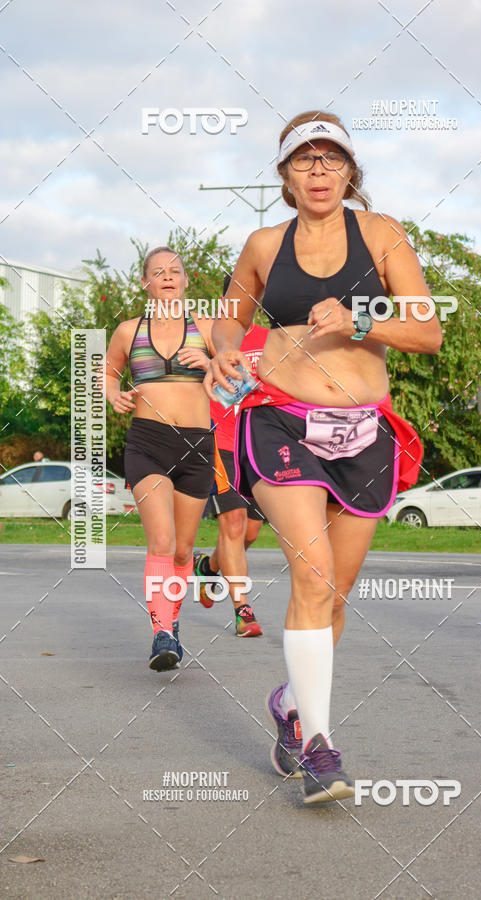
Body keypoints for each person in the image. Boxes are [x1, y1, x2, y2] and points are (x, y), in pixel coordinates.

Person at [205, 111, 442, 804]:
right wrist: (223, 347)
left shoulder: (382, 234)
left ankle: (290, 704)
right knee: (311, 576)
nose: (318, 170)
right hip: (279, 419)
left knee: (334, 594)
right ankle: (319, 749)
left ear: (349, 172)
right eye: (304, 160)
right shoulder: (261, 244)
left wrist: (362, 320)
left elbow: (427, 332)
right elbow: (231, 315)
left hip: (364, 430)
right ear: (285, 175)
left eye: (331, 159)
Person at [104, 247, 223, 671]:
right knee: (162, 541)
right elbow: (108, 369)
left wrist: (211, 364)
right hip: (148, 442)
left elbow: (239, 386)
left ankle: (171, 619)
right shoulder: (127, 331)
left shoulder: (208, 329)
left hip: (196, 445)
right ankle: (162, 633)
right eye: (158, 272)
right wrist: (112, 393)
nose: (168, 277)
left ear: (187, 280)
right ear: (145, 282)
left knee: (183, 550)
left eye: (175, 271)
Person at [193, 274, 269, 637]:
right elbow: (167, 338)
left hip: (258, 443)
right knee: (234, 523)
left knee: (250, 531)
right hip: (221, 440)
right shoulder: (210, 332)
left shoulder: (273, 339)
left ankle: (207, 568)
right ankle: (243, 611)